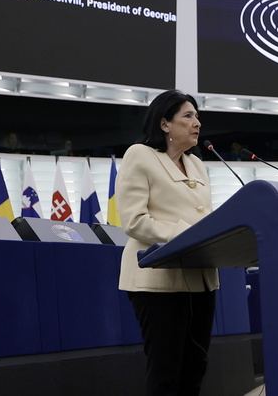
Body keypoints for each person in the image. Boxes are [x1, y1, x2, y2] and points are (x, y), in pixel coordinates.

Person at [116, 89, 218, 396]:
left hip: (200, 279)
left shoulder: (198, 164)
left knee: (194, 368)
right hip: (157, 281)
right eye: (187, 116)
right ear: (164, 124)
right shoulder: (140, 155)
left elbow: (205, 215)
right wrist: (186, 236)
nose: (196, 123)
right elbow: (134, 221)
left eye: (197, 116)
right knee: (166, 372)